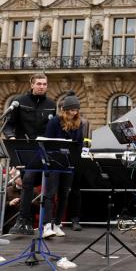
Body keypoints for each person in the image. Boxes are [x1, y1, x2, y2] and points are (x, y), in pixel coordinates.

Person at [5, 73, 56, 235]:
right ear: (32, 84)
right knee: (26, 181)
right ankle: (23, 220)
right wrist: (12, 139)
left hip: (43, 149)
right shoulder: (19, 102)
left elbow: (53, 128)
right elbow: (8, 125)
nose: (42, 86)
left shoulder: (51, 104)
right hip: (24, 148)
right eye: (39, 83)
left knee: (46, 184)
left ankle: (48, 223)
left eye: (44, 84)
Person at [43, 91, 83, 238]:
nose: (74, 113)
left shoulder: (78, 124)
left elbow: (79, 143)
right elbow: (48, 140)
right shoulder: (54, 121)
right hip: (54, 162)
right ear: (65, 110)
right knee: (50, 193)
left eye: (76, 110)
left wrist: (76, 159)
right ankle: (47, 224)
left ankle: (58, 223)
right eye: (72, 110)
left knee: (64, 194)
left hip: (69, 163)